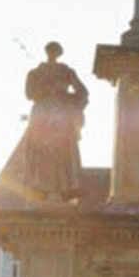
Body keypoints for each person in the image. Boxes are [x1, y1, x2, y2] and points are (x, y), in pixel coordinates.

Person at [22, 41, 89, 202]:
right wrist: (47, 91)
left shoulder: (66, 71)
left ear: (59, 53)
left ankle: (66, 187)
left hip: (60, 113)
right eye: (51, 51)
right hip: (42, 113)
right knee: (41, 150)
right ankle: (39, 187)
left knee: (62, 149)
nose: (53, 54)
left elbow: (83, 92)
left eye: (55, 51)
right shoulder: (35, 73)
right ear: (47, 52)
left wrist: (64, 96)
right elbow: (29, 93)